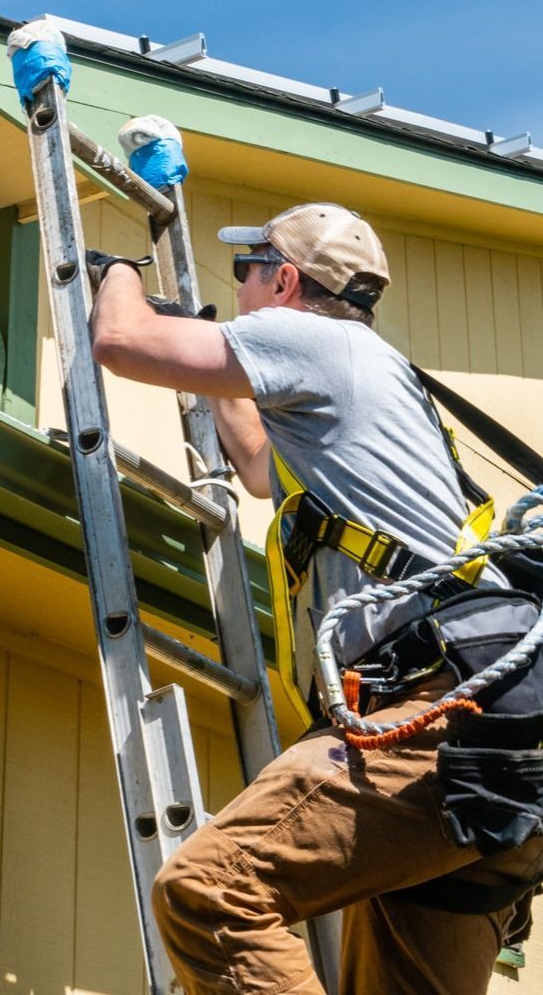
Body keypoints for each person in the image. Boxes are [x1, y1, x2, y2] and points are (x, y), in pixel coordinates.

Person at [89, 202, 543, 995]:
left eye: (245, 275)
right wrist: (208, 356)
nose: (238, 297)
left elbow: (119, 342)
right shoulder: (372, 376)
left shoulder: (312, 339)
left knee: (210, 893)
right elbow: (262, 468)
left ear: (285, 280)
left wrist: (115, 275)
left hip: (440, 708)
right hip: (505, 730)